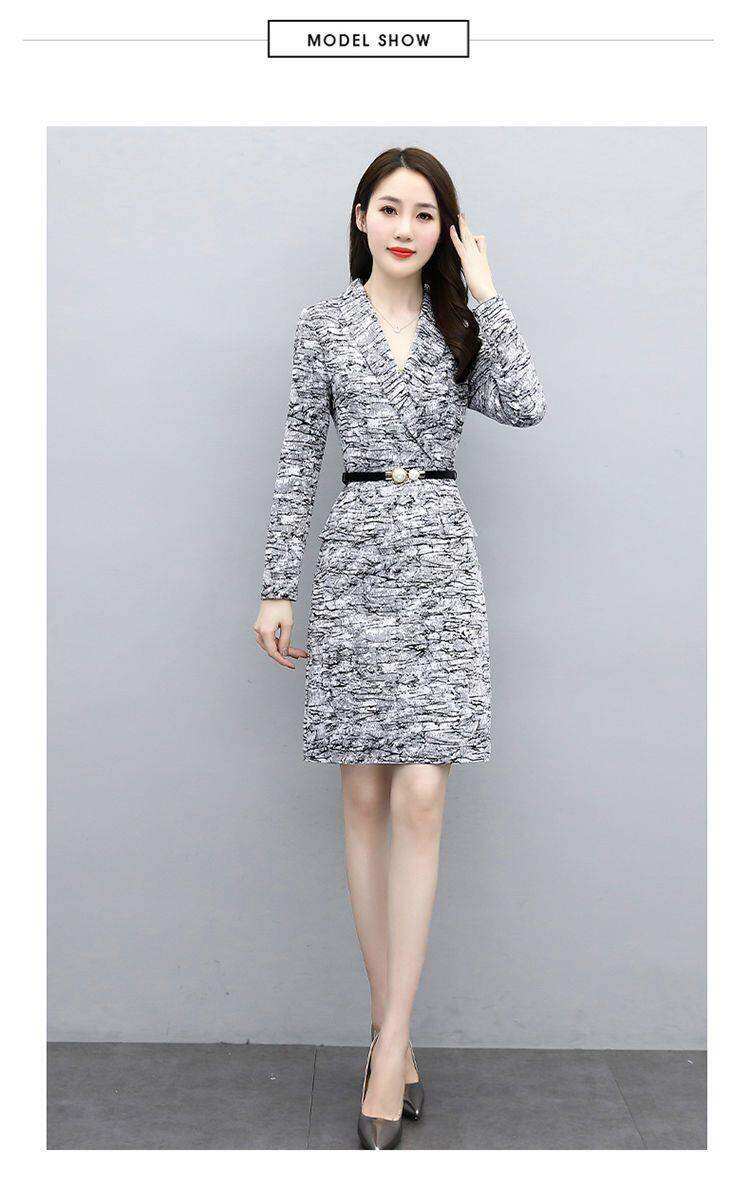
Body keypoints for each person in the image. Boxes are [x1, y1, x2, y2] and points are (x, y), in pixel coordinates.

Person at [253, 146, 546, 1149]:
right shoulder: (323, 326)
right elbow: (300, 452)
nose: (406, 227)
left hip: (439, 566)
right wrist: (278, 584)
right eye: (390, 208)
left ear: (444, 230)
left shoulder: (459, 325)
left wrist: (491, 296)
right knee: (366, 797)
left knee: (423, 794)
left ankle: (389, 1043)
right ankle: (392, 1035)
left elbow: (526, 403)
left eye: (426, 213)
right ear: (361, 217)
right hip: (354, 561)